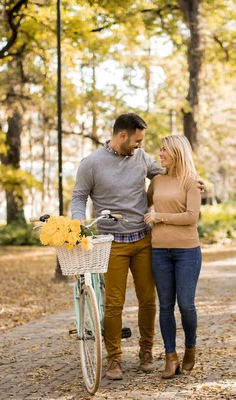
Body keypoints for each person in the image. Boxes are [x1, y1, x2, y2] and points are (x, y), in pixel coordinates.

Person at [71, 113, 162, 380]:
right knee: (113, 304)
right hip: (113, 244)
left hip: (143, 240)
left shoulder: (142, 158)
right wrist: (78, 221)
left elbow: (168, 174)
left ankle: (146, 351)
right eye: (137, 140)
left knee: (148, 300)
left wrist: (193, 180)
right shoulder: (91, 164)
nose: (140, 145)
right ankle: (113, 358)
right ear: (122, 136)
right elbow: (79, 196)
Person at [144, 135, 202, 379]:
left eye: (165, 150)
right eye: (160, 150)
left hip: (187, 251)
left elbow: (191, 217)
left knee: (186, 305)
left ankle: (190, 347)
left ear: (178, 152)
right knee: (165, 306)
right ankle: (170, 357)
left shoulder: (192, 182)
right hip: (159, 251)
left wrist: (160, 217)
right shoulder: (156, 181)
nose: (161, 154)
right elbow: (147, 203)